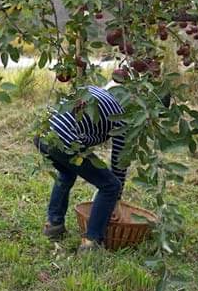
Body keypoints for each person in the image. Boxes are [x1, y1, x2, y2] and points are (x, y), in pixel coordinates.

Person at [36, 84, 129, 253]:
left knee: (66, 171)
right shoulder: (122, 116)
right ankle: (92, 242)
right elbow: (120, 161)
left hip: (41, 131)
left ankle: (54, 225)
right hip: (64, 138)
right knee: (110, 186)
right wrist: (116, 198)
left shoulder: (94, 90)